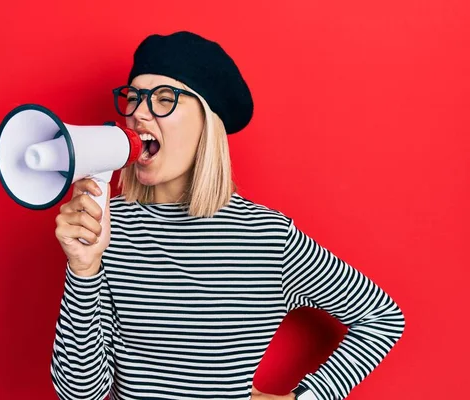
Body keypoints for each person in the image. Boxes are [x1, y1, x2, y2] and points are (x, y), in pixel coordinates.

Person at [50, 31, 405, 400]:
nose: (138, 113)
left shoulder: (270, 237)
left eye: (164, 99)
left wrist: (304, 398)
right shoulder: (106, 227)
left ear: (207, 123)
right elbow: (80, 394)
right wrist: (84, 270)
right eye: (135, 98)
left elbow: (382, 318)